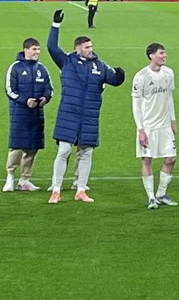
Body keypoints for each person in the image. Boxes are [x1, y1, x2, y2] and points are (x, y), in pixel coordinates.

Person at [47, 11, 124, 202]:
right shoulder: (67, 61)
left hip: (89, 116)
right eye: (87, 46)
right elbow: (51, 47)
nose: (91, 49)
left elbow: (113, 80)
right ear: (77, 48)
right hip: (69, 114)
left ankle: (81, 190)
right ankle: (56, 189)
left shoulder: (99, 65)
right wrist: (55, 25)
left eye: (91, 46)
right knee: (64, 151)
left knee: (86, 152)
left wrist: (120, 76)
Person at [3, 37, 53, 193]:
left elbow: (49, 88)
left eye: (38, 49)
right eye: (34, 49)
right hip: (20, 113)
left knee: (32, 148)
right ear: (26, 50)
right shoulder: (15, 68)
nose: (37, 52)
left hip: (37, 114)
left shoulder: (42, 68)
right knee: (17, 146)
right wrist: (25, 101)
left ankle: (24, 180)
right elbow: (9, 90)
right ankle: (10, 177)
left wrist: (45, 98)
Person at [133, 42, 179, 209]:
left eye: (165, 53)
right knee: (147, 159)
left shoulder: (168, 73)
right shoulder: (141, 76)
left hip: (165, 124)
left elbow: (169, 98)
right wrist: (140, 130)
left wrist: (173, 120)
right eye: (161, 53)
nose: (164, 56)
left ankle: (161, 193)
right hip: (148, 126)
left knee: (171, 158)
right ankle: (151, 197)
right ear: (151, 55)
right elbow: (136, 105)